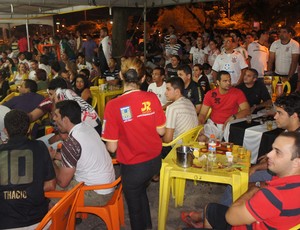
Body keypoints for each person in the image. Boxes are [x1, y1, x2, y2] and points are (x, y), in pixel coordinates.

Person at [182, 131, 300, 229]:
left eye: (278, 152)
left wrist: (254, 189)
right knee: (211, 208)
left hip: (241, 225)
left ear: (296, 162)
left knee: (211, 211)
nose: (269, 154)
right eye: (272, 149)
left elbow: (230, 217)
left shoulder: (273, 195)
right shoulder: (290, 186)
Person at [101, 57, 166, 230]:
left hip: (133, 166)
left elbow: (112, 147)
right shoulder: (152, 98)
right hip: (154, 162)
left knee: (135, 209)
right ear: (144, 78)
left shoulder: (113, 105)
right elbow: (161, 131)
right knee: (141, 194)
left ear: (121, 76)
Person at [49, 100, 115, 205]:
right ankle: (73, 216)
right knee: (58, 166)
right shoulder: (86, 127)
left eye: (56, 115)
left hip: (95, 193)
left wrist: (49, 159)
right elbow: (82, 157)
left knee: (50, 186)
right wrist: (56, 156)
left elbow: (62, 182)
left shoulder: (72, 142)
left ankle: (59, 219)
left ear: (65, 119)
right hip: (108, 185)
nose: (54, 118)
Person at [0, 109, 56, 229]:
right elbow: (51, 185)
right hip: (40, 223)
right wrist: (29, 188)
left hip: (5, 224)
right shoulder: (40, 147)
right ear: (29, 130)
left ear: (5, 131)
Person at [198, 71, 250, 141]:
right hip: (213, 125)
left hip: (229, 126)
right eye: (225, 81)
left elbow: (246, 110)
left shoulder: (237, 92)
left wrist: (233, 117)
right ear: (218, 82)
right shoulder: (210, 94)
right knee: (201, 139)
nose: (228, 83)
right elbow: (202, 114)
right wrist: (200, 126)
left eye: (229, 80)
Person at [163, 77, 198, 148]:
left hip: (176, 148)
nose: (165, 93)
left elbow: (168, 139)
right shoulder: (189, 103)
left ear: (177, 92)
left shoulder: (172, 108)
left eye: (168, 89)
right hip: (190, 145)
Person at [267, 26, 300, 92]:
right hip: (278, 75)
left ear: (289, 34)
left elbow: (294, 62)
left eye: (284, 32)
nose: (281, 34)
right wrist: (268, 74)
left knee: (289, 97)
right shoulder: (275, 44)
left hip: (291, 75)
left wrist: (289, 77)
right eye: (280, 32)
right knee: (277, 96)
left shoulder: (295, 44)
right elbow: (271, 60)